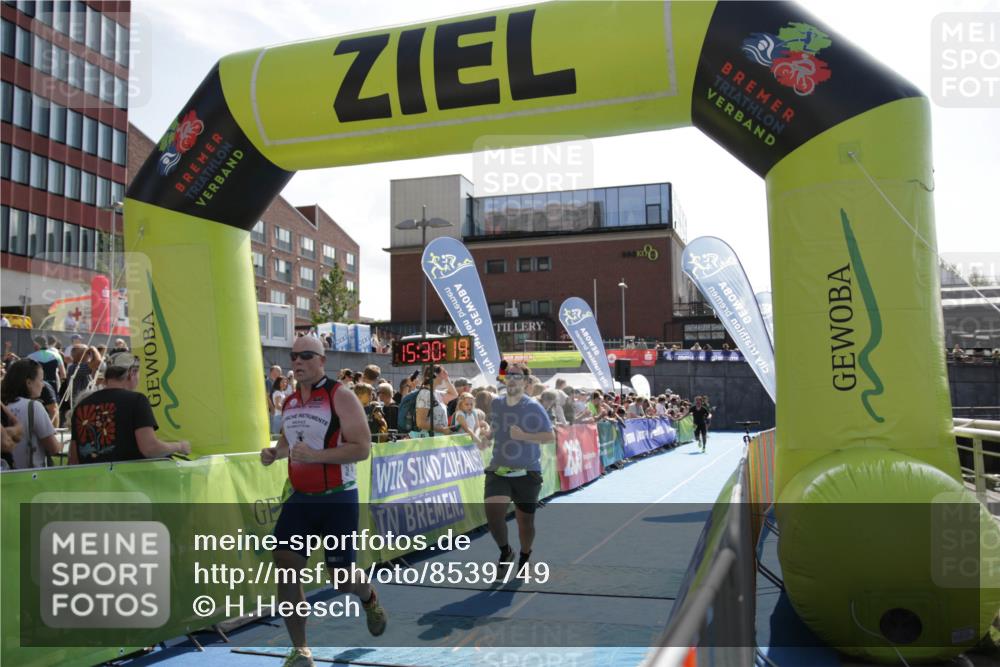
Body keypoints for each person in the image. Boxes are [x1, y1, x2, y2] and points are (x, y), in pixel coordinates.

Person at [259, 335, 387, 666]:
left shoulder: (340, 396)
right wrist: (275, 453)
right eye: (293, 356)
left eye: (305, 356)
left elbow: (361, 448)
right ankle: (300, 649)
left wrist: (317, 457)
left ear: (321, 360)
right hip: (300, 499)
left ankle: (368, 596)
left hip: (337, 499)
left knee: (341, 579)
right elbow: (288, 443)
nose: (297, 361)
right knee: (286, 572)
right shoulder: (289, 402)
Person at [483, 363, 555, 574]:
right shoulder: (496, 404)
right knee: (493, 516)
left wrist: (524, 436)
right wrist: (487, 434)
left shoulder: (533, 406)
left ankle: (525, 555)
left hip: (527, 472)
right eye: (509, 375)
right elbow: (496, 427)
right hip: (499, 470)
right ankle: (506, 551)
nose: (512, 378)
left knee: (525, 522)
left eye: (517, 375)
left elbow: (550, 437)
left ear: (525, 381)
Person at [68, 351, 191, 464]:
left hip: (93, 484)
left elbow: (73, 459)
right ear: (131, 373)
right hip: (129, 484)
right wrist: (179, 446)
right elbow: (149, 448)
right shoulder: (137, 400)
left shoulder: (82, 405)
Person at [1, 359, 61, 469]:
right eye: (41, 380)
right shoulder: (34, 407)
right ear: (28, 382)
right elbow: (54, 448)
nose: (43, 385)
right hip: (30, 475)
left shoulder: (3, 405)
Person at [414, 365, 458, 436]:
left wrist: (447, 379)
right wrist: (442, 430)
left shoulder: (437, 393)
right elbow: (420, 423)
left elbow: (454, 394)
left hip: (439, 439)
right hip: (430, 440)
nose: (444, 375)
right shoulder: (425, 394)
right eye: (442, 373)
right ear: (435, 375)